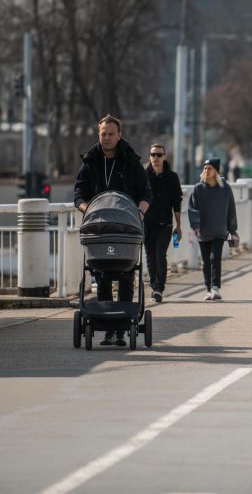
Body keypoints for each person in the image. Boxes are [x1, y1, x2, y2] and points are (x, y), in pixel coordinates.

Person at [74, 115, 152, 347]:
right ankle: (108, 327)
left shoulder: (131, 161)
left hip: (126, 227)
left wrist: (140, 212)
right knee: (101, 273)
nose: (106, 137)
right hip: (99, 226)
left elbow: (146, 193)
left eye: (110, 133)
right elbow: (78, 194)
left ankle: (122, 327)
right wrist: (88, 210)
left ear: (119, 135)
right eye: (102, 133)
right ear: (99, 135)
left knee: (127, 273)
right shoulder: (90, 162)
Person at [189, 158, 238, 300]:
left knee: (215, 258)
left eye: (209, 168)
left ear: (216, 170)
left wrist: (232, 229)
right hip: (203, 231)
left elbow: (231, 208)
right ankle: (208, 289)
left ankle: (215, 287)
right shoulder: (198, 188)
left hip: (219, 231)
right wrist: (196, 225)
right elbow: (192, 208)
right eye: (205, 168)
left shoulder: (225, 188)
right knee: (205, 261)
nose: (206, 170)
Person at [144, 143, 183, 303]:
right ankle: (154, 286)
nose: (156, 158)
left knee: (160, 254)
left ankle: (159, 287)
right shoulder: (143, 176)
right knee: (150, 256)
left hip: (165, 224)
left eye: (159, 155)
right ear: (150, 157)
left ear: (164, 157)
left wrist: (178, 225)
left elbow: (177, 202)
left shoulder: (172, 177)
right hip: (146, 224)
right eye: (153, 155)